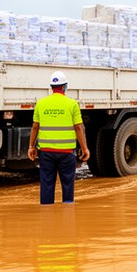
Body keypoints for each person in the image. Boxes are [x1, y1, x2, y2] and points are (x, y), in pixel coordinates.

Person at [28, 71, 90, 204]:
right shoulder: (72, 104)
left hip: (46, 153)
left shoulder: (41, 104)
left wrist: (31, 147)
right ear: (64, 87)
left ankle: (46, 216)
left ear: (52, 87)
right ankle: (67, 217)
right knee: (68, 188)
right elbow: (79, 128)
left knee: (46, 186)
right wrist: (85, 149)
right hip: (67, 153)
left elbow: (35, 127)